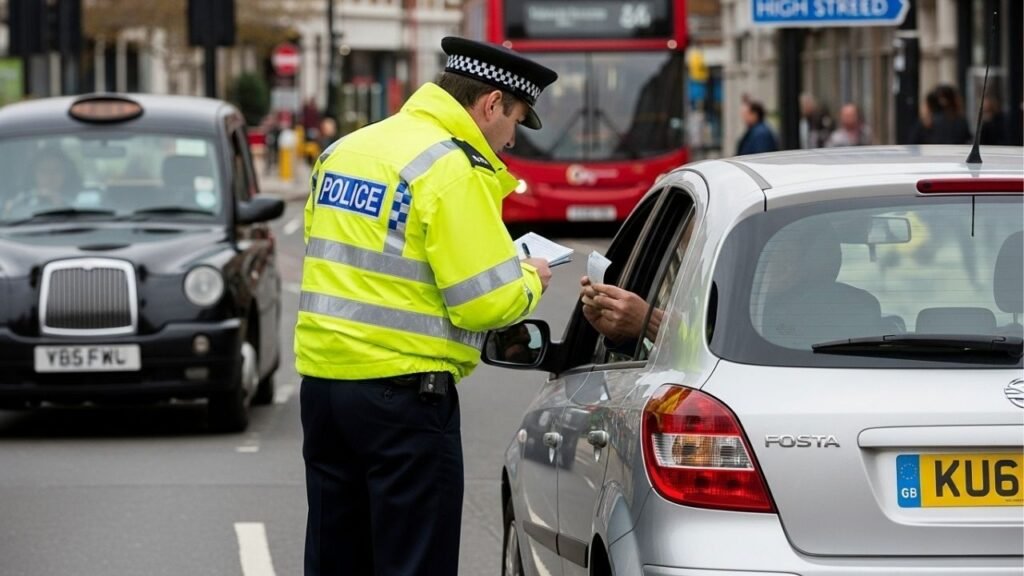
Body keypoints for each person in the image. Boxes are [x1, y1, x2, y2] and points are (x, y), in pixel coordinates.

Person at [294, 36, 557, 576]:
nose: (511, 141)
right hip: (404, 401)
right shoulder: (453, 169)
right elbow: (487, 303)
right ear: (490, 104)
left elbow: (332, 250)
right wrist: (529, 278)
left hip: (323, 391)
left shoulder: (348, 148)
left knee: (335, 559)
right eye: (516, 121)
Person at [2, 150, 80, 218]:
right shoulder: (20, 200)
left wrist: (59, 204)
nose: (50, 176)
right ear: (33, 175)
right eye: (43, 171)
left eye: (57, 170)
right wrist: (8, 211)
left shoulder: (80, 204)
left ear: (66, 175)